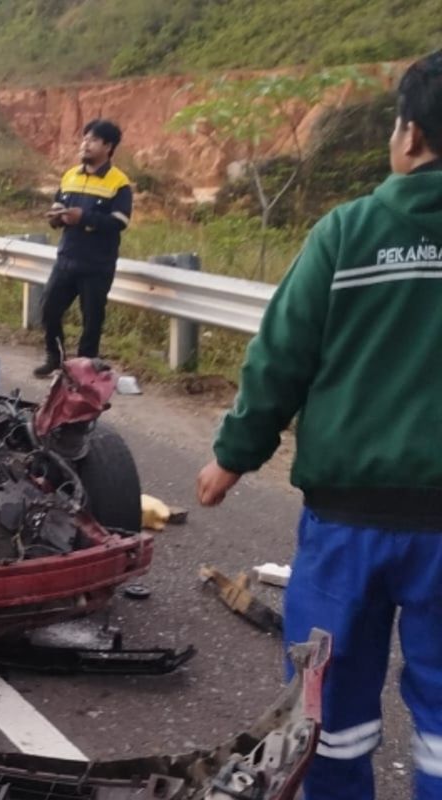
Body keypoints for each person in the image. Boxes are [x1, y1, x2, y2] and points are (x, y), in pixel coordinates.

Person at [197, 50, 442, 800]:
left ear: (408, 135)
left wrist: (232, 458)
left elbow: (281, 358)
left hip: (346, 530)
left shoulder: (348, 232)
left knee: (328, 712)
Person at [33, 120, 132, 377]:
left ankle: (82, 370)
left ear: (108, 146)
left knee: (92, 320)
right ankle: (55, 358)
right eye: (85, 139)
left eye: (93, 140)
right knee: (48, 309)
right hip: (67, 258)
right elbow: (58, 204)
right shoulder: (70, 175)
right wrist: (56, 217)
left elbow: (120, 222)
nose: (85, 144)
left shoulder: (119, 183)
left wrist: (84, 218)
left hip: (97, 264)